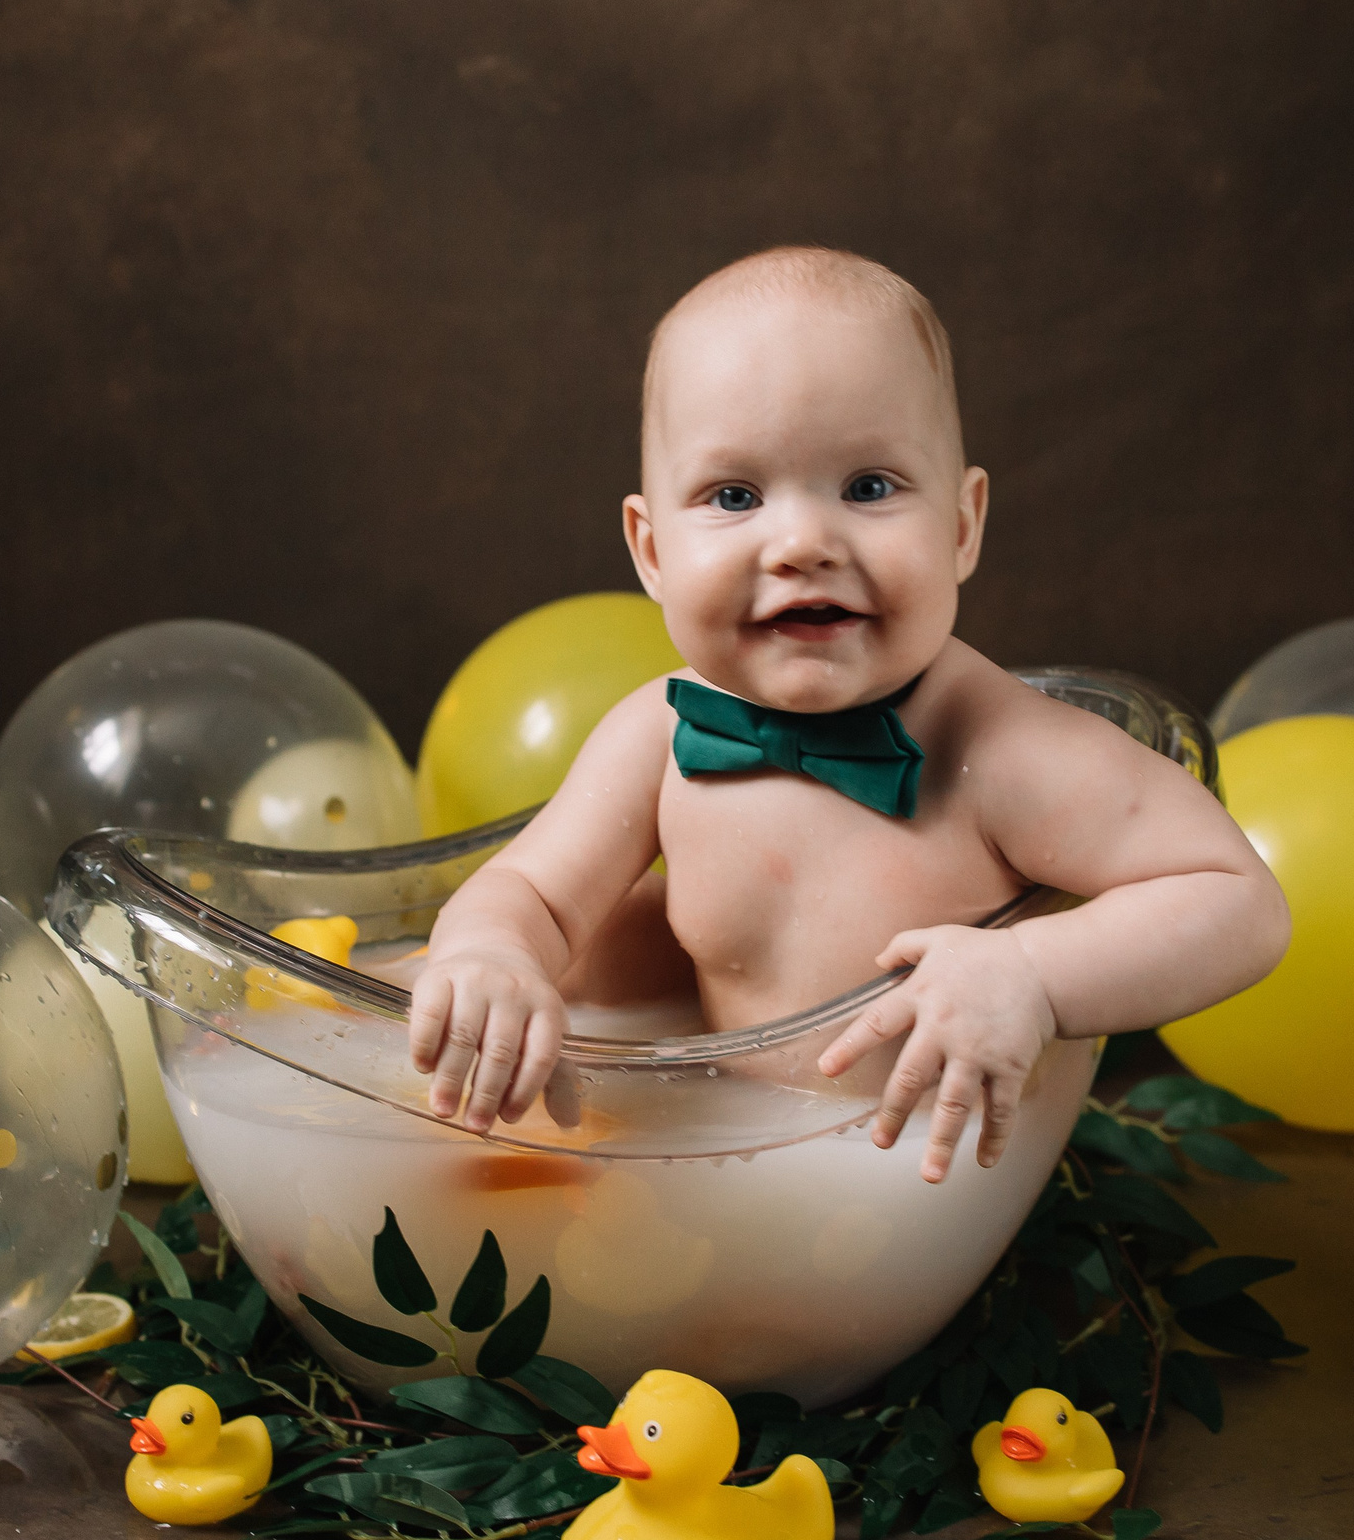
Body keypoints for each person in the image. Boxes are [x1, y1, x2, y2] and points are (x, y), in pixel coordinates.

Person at [409, 247, 1289, 1182]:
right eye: (735, 496)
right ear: (652, 549)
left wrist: (1031, 975)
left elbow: (1239, 902)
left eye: (868, 486)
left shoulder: (1001, 750)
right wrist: (493, 955)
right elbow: (535, 893)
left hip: (912, 1185)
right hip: (716, 1165)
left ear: (960, 526)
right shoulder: (658, 737)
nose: (801, 544)